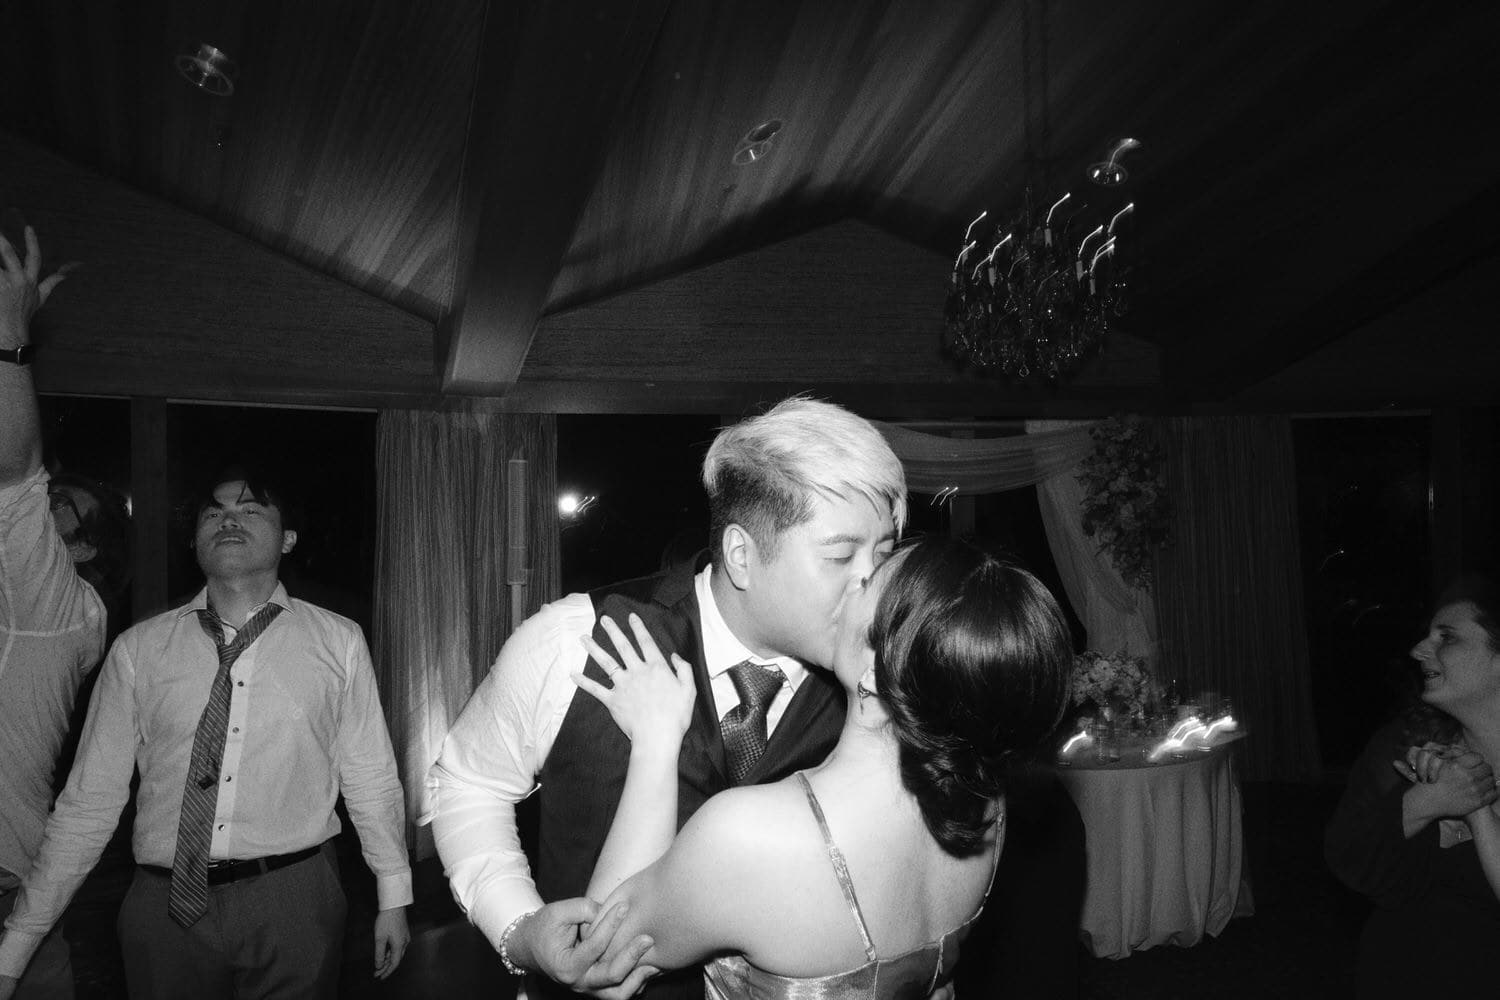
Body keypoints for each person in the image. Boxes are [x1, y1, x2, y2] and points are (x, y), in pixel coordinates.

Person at [426, 396, 907, 1000]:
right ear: (742, 555)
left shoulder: (886, 687)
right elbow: (470, 784)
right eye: (842, 555)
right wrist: (518, 931)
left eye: (884, 554)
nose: (874, 584)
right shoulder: (576, 641)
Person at [570, 535, 1072, 998]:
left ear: (877, 670)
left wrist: (657, 741)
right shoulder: (985, 804)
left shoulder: (752, 835)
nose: (853, 581)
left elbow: (598, 958)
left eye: (870, 581)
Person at [0, 469, 413, 1000]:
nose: (228, 520)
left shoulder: (339, 640)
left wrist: (394, 895)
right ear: (195, 541)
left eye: (250, 509)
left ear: (287, 539)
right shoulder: (138, 649)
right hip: (161, 906)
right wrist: (15, 947)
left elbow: (370, 774)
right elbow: (88, 804)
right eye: (213, 513)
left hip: (296, 897)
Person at [1, 224, 128, 1000]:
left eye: (62, 514)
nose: (39, 521)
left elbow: (14, 473)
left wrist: (12, 341)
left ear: (82, 551)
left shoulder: (60, 611)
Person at [1326, 575, 1500, 997]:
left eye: (1447, 637)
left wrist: (1474, 807)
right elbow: (1350, 862)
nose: (1419, 650)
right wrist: (1423, 802)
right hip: (1408, 973)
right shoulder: (1404, 744)